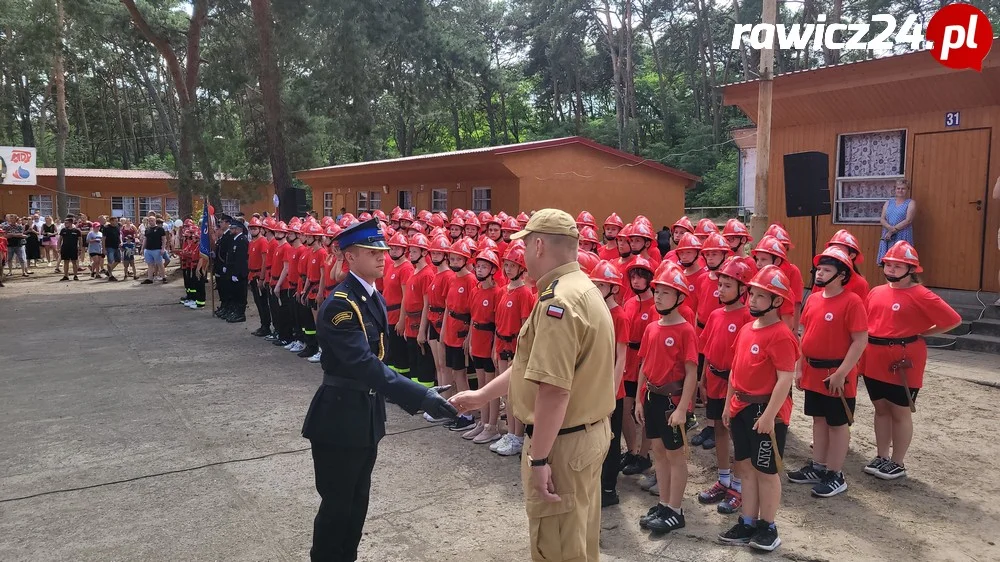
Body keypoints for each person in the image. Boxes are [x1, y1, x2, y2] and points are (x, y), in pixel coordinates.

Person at [450, 209, 614, 562]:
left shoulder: (559, 302)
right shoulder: (582, 288)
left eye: (524, 245)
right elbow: (530, 365)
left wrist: (539, 459)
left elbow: (554, 390)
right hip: (583, 435)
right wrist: (482, 395)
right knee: (577, 539)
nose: (521, 254)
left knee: (557, 547)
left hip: (562, 443)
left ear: (539, 245)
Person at [301, 218, 458, 562]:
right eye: (373, 252)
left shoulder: (372, 297)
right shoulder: (342, 304)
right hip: (340, 417)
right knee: (337, 505)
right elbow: (364, 364)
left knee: (358, 502)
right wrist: (420, 396)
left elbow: (379, 360)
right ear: (351, 257)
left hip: (364, 415)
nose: (382, 257)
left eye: (383, 251)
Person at [863, 241, 960, 480]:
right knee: (880, 409)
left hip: (903, 360)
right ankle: (882, 455)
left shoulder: (921, 294)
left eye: (899, 266)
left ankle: (898, 461)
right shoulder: (876, 291)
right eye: (889, 264)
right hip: (873, 357)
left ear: (912, 269)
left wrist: (925, 331)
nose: (892, 269)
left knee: (900, 411)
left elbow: (953, 320)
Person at [718, 264, 798, 552]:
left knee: (766, 471)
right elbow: (734, 371)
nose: (752, 299)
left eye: (760, 296)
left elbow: (785, 378)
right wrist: (728, 404)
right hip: (741, 409)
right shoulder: (745, 330)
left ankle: (768, 526)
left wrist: (768, 416)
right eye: (752, 294)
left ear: (777, 301)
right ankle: (748, 521)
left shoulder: (781, 334)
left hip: (766, 414)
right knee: (747, 469)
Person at [789, 246, 867, 498]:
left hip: (836, 375)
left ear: (843, 275)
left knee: (837, 424)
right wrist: (800, 367)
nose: (820, 274)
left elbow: (860, 340)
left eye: (827, 270)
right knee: (818, 420)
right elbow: (804, 335)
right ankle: (818, 465)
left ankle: (835, 474)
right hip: (812, 371)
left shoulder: (852, 301)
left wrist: (843, 373)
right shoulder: (813, 298)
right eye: (819, 269)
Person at [635, 262, 698, 534]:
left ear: (680, 298)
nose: (658, 296)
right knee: (658, 452)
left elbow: (692, 373)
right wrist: (639, 400)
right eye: (657, 291)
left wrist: (683, 407)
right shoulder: (652, 327)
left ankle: (675, 509)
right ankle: (663, 502)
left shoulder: (685, 330)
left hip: (672, 402)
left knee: (676, 456)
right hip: (651, 398)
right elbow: (644, 364)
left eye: (665, 292)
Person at [696, 257, 754, 515]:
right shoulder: (716, 314)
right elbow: (707, 349)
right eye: (720, 284)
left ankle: (739, 487)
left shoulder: (747, 317)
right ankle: (724, 478)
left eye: (728, 285)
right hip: (715, 380)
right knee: (719, 429)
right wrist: (703, 380)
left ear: (742, 289)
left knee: (738, 435)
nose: (721, 289)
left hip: (736, 385)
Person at [463, 248, 504, 444]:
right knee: (480, 383)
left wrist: (495, 347)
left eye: (484, 267)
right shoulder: (475, 290)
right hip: (477, 340)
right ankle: (483, 422)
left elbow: (498, 323)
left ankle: (492, 426)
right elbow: (473, 318)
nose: (479, 270)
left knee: (490, 386)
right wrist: (470, 340)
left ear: (492, 269)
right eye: (478, 266)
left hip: (489, 340)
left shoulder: (497, 292)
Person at [876, 179, 916, 265]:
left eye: (903, 188)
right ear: (895, 189)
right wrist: (890, 229)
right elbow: (882, 219)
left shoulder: (910, 203)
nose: (900, 190)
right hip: (887, 235)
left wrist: (893, 230)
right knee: (887, 262)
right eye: (898, 188)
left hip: (902, 235)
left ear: (907, 190)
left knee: (901, 262)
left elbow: (908, 220)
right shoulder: (888, 203)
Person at [224, 219, 250, 323]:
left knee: (240, 295)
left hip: (239, 273)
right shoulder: (235, 239)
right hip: (233, 271)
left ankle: (240, 314)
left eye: (232, 228)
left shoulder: (242, 240)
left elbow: (241, 259)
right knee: (235, 293)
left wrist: (236, 273)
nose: (230, 230)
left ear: (238, 229)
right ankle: (235, 312)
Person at [141, 217, 168, 284]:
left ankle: (163, 277)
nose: (150, 222)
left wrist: (163, 249)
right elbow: (145, 239)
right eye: (149, 221)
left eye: (152, 220)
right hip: (148, 249)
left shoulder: (160, 229)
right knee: (150, 264)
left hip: (157, 249)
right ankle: (150, 278)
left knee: (160, 264)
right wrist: (142, 248)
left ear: (155, 221)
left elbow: (164, 239)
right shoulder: (147, 229)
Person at [58, 216, 82, 281]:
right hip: (65, 248)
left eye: (67, 223)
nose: (65, 224)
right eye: (65, 223)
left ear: (71, 223)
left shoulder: (77, 231)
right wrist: (59, 248)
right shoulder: (63, 230)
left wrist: (80, 249)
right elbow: (60, 239)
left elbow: (80, 240)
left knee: (74, 262)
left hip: (73, 248)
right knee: (66, 262)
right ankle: (65, 275)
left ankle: (75, 275)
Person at [102, 217, 122, 281]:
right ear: (111, 221)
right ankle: (110, 275)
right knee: (110, 261)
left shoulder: (117, 227)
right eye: (115, 221)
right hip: (109, 246)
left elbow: (118, 236)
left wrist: (120, 242)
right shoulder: (106, 228)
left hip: (116, 246)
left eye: (117, 221)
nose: (117, 222)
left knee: (118, 260)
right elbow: (103, 239)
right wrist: (104, 248)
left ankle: (108, 271)